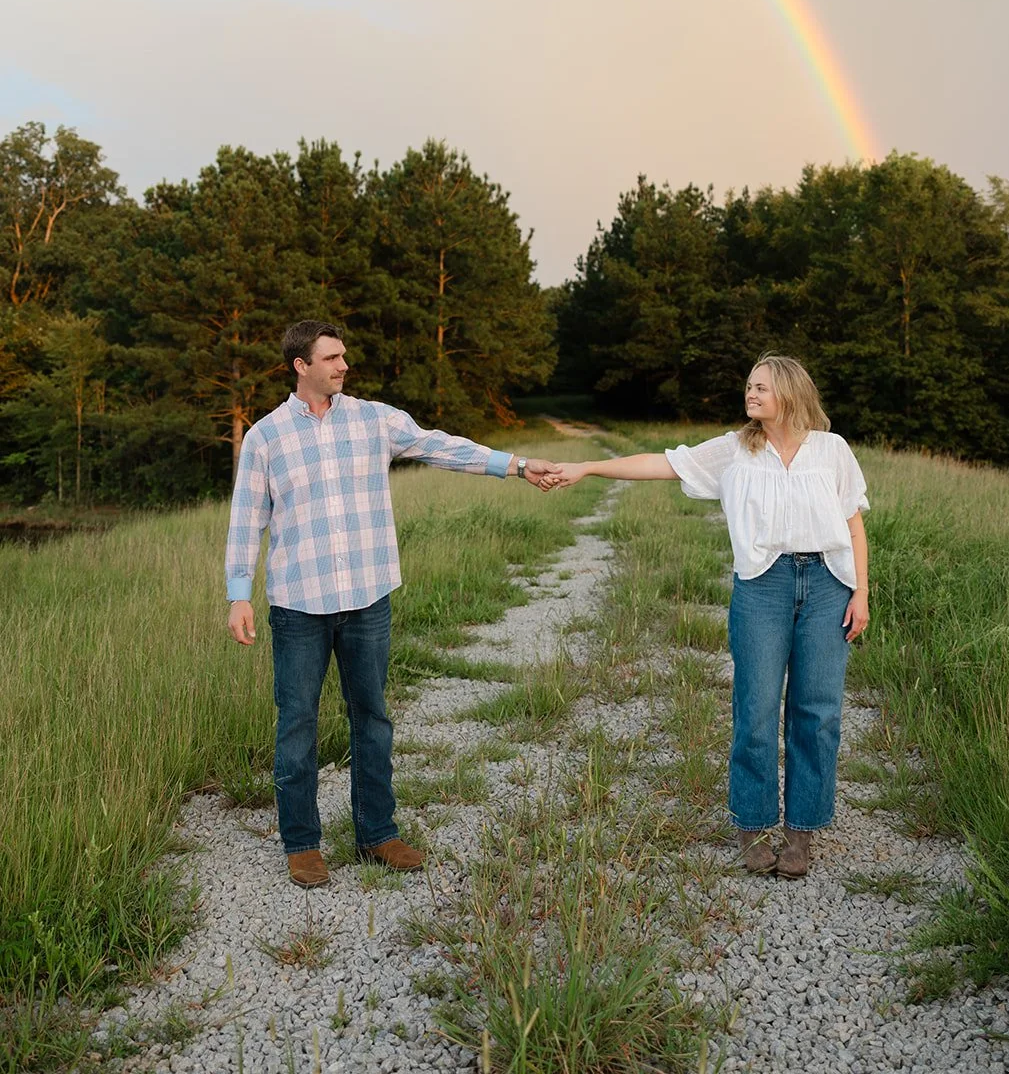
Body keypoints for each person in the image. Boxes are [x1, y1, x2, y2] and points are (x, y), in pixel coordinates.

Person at [225, 319, 561, 888]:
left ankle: (377, 833)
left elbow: (443, 447)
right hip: (298, 605)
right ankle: (303, 845)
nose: (344, 365)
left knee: (373, 719)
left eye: (344, 355)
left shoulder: (375, 419)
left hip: (366, 598)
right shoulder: (265, 437)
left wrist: (518, 466)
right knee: (296, 726)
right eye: (331, 357)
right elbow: (246, 520)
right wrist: (239, 594)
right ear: (300, 366)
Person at [545, 355, 869, 879]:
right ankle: (752, 823)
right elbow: (661, 463)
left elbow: (853, 524)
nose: (751, 393)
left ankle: (803, 831)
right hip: (762, 586)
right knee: (756, 708)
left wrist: (862, 593)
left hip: (831, 584)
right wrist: (587, 467)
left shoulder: (832, 451)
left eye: (761, 387)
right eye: (748, 386)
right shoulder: (735, 450)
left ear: (789, 391)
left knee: (818, 710)